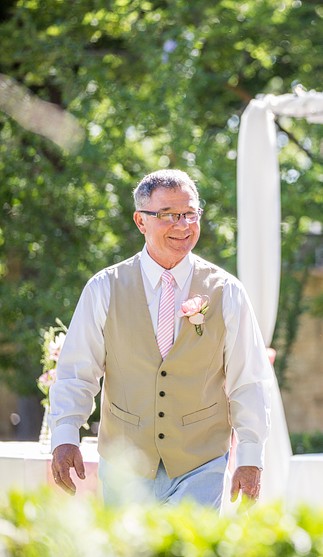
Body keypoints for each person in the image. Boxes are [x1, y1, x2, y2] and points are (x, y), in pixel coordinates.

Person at [49, 169, 271, 508]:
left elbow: (249, 380)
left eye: (190, 213)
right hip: (125, 463)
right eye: (168, 215)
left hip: (202, 463)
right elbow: (76, 372)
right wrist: (65, 435)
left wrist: (251, 456)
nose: (183, 225)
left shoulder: (227, 292)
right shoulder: (104, 288)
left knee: (190, 546)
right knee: (127, 545)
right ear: (141, 221)